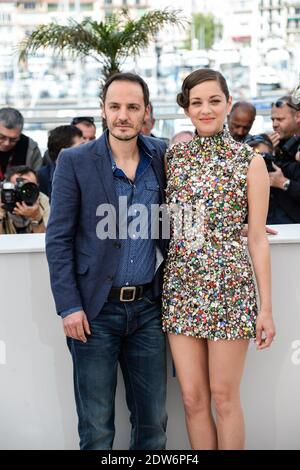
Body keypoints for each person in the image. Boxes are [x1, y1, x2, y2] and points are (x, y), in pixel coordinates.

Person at [45, 73, 168, 450]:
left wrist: (238, 226)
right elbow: (59, 238)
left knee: (153, 425)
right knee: (97, 429)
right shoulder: (75, 160)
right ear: (103, 110)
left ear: (146, 112)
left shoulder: (163, 156)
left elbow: (187, 213)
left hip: (149, 308)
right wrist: (69, 306)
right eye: (115, 107)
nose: (123, 116)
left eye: (133, 107)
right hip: (94, 312)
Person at [162, 69, 276, 450]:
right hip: (180, 288)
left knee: (224, 398)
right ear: (187, 109)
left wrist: (266, 309)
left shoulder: (250, 161)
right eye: (197, 102)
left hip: (229, 287)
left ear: (228, 103)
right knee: (192, 399)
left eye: (214, 100)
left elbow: (258, 238)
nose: (205, 109)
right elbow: (171, 218)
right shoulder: (174, 156)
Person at [38, 125, 84, 201]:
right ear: (63, 153)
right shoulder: (41, 178)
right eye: (81, 148)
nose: (86, 151)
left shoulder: (91, 174)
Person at [0, 165, 49, 234]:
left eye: (28, 187)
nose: (22, 192)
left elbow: (46, 241)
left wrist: (36, 217)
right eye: (17, 188)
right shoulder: (3, 198)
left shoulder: (42, 200)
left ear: (37, 187)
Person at [0, 107, 42, 181]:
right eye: (2, 137)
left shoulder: (30, 148)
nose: (7, 143)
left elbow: (37, 181)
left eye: (13, 139)